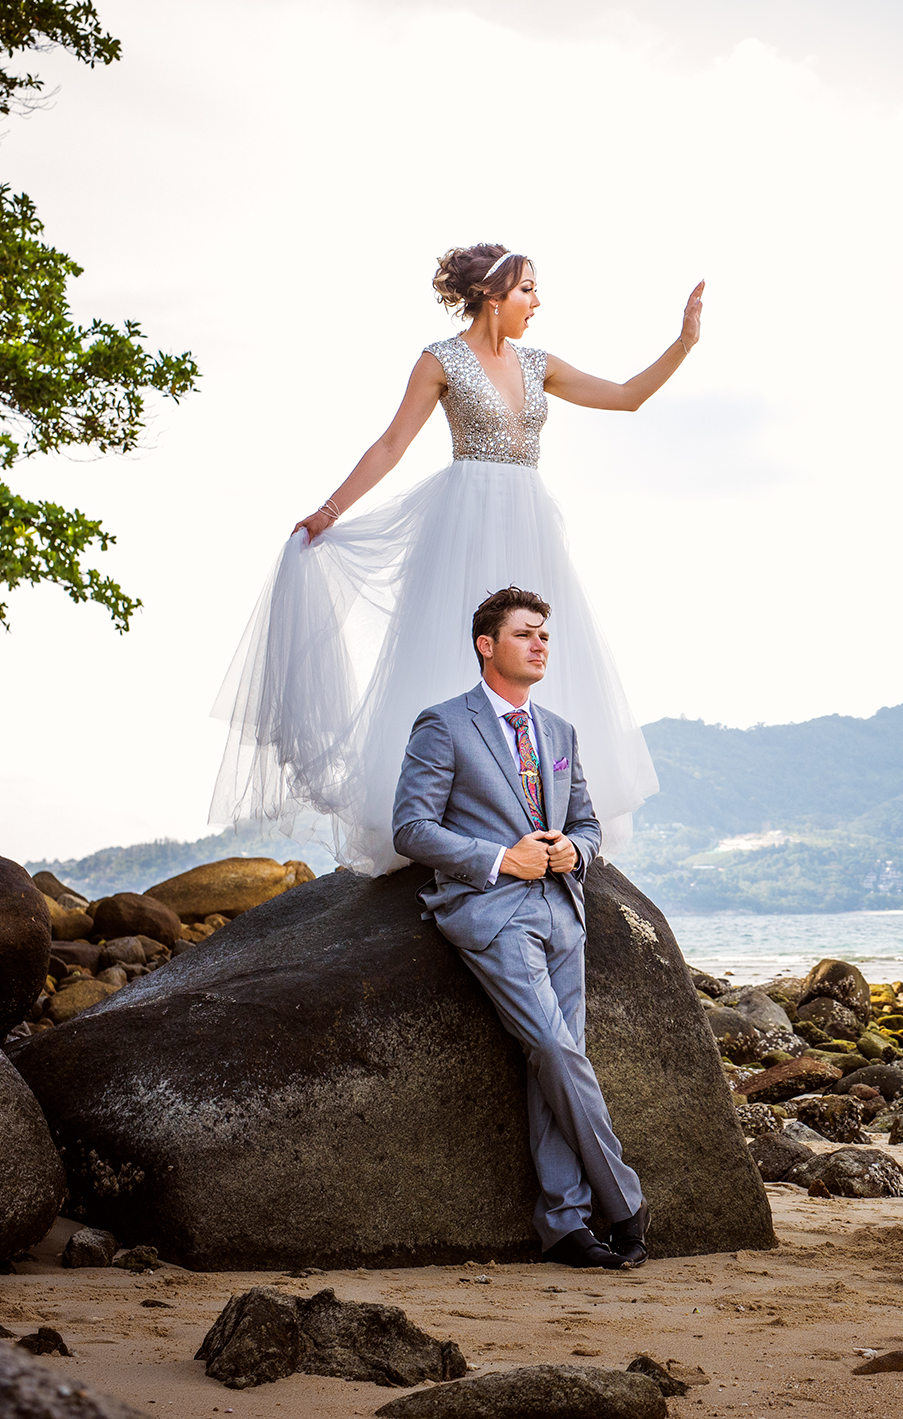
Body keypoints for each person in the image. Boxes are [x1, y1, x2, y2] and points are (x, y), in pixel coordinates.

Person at [211, 244, 702, 870]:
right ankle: (448, 817)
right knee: (450, 653)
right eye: (528, 289)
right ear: (493, 298)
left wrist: (683, 342)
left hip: (528, 518)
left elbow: (627, 395)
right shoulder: (438, 361)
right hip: (464, 518)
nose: (538, 301)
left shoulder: (537, 363)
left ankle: (547, 818)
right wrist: (329, 513)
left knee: (538, 649)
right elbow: (391, 443)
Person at [393, 586, 647, 1269]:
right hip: (491, 912)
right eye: (526, 634)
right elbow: (411, 828)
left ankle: (564, 1224)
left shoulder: (559, 732)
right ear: (488, 644)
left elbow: (588, 822)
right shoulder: (444, 724)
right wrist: (501, 857)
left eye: (544, 636)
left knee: (552, 1067)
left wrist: (576, 851)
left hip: (564, 912)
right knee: (559, 1054)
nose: (540, 645)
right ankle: (623, 1199)